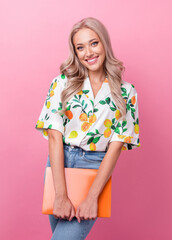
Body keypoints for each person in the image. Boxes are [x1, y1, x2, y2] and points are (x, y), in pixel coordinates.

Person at [35, 17, 140, 240]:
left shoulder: (126, 93)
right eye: (80, 47)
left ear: (104, 44)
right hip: (58, 165)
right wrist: (60, 194)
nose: (88, 52)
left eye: (93, 43)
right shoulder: (62, 83)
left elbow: (115, 148)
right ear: (75, 52)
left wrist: (93, 196)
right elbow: (54, 137)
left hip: (93, 169)